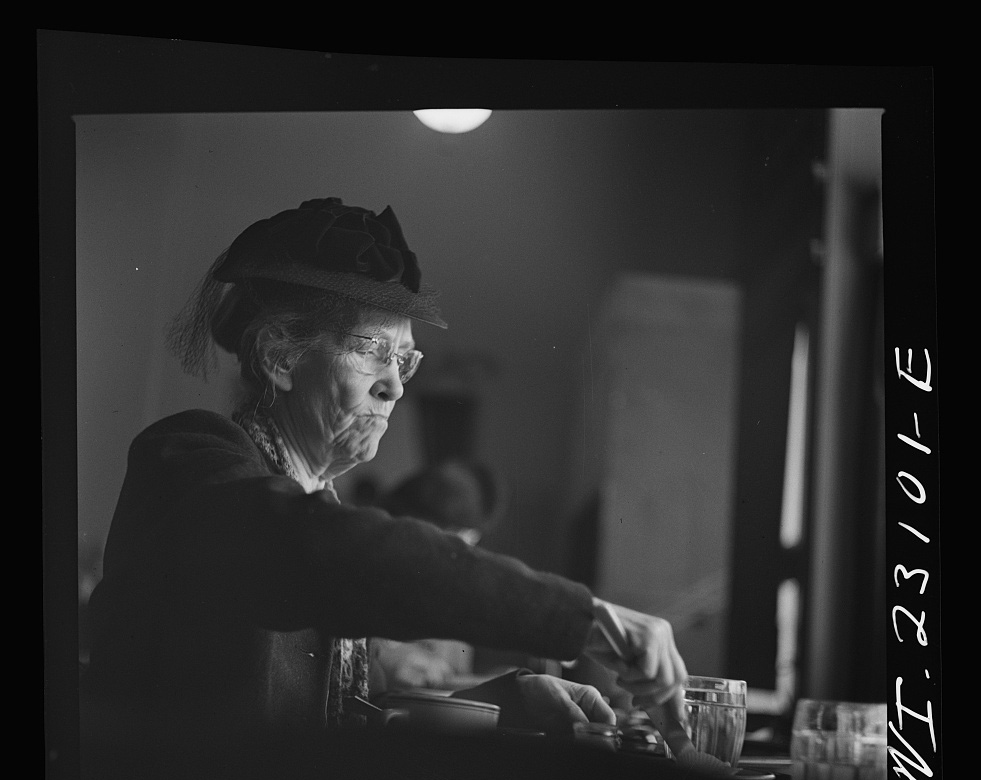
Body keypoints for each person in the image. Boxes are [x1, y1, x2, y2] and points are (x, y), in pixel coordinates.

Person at [86, 196, 691, 748]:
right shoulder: (190, 458)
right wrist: (577, 616)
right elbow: (312, 548)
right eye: (374, 352)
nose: (396, 385)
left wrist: (499, 701)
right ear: (279, 357)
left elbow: (354, 720)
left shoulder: (323, 500)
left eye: (405, 359)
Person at [368, 459, 506, 692]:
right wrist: (383, 662)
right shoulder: (363, 568)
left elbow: (452, 681)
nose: (456, 559)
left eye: (468, 543)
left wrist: (496, 684)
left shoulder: (456, 601)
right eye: (449, 541)